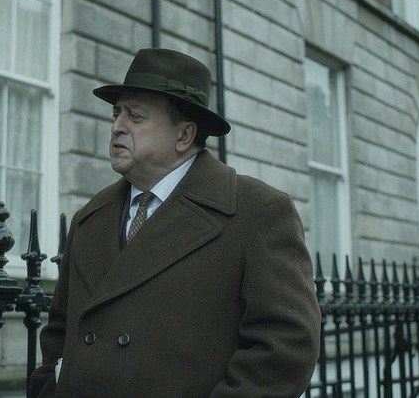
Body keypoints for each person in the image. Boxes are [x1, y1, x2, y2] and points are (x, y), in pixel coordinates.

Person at [30, 48, 321, 397]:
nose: (117, 127)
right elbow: (59, 333)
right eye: (117, 113)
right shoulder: (90, 217)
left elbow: (285, 349)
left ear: (183, 136)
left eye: (135, 116)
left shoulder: (257, 212)